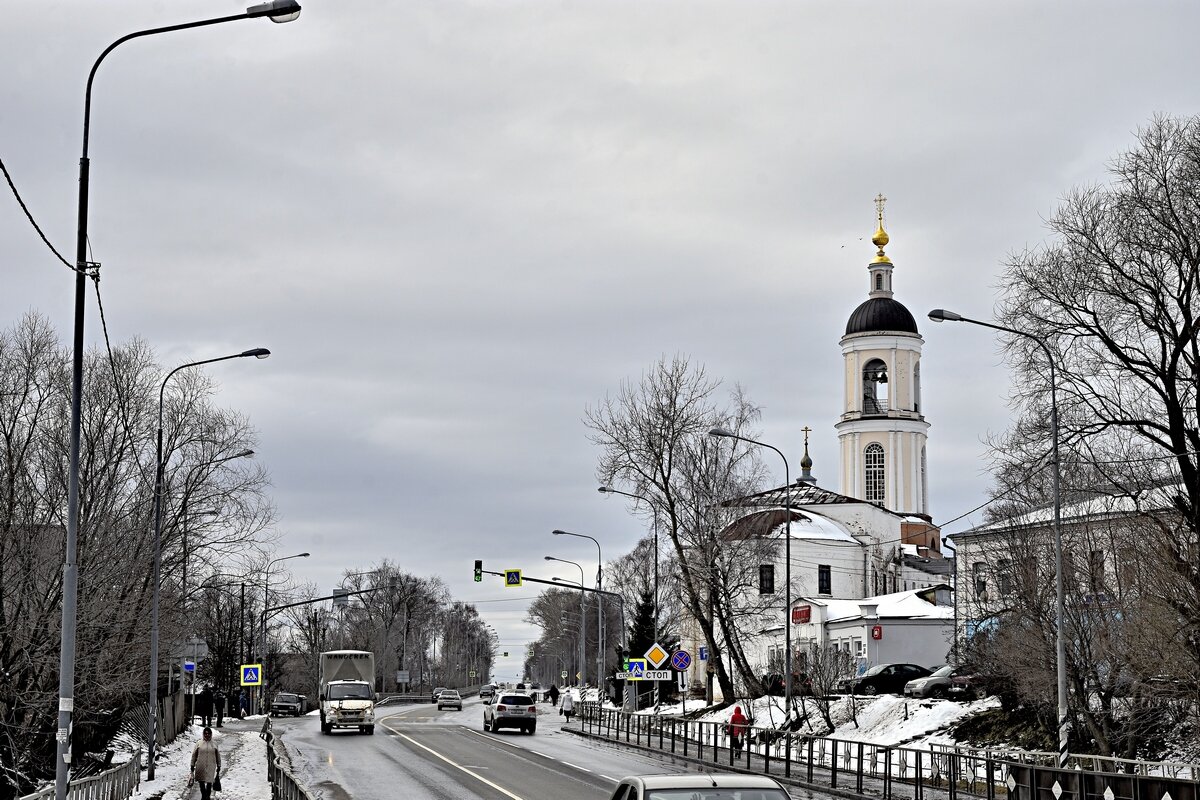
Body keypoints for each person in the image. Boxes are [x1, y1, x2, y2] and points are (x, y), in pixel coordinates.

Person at [190, 727, 221, 800]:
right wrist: (192, 764)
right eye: (205, 733)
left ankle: (207, 796)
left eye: (208, 733)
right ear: (203, 734)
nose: (207, 735)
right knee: (201, 782)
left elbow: (218, 756)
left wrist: (219, 765)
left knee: (209, 782)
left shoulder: (214, 744)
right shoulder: (199, 743)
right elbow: (194, 755)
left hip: (211, 765)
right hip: (201, 765)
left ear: (211, 734)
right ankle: (204, 795)